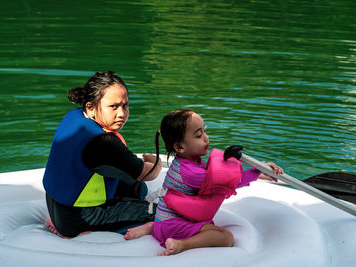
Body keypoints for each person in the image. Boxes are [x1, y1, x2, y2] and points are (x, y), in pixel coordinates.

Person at [127, 108, 283, 255]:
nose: (206, 138)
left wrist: (258, 173)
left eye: (205, 132)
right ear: (180, 146)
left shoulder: (187, 162)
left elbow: (222, 177)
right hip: (172, 225)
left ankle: (154, 227)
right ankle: (181, 245)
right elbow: (227, 183)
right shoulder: (191, 173)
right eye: (198, 135)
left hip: (165, 220)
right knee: (225, 237)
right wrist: (257, 171)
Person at [42, 71, 161, 238]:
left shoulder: (74, 116)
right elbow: (148, 173)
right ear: (91, 107)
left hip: (57, 206)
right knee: (161, 213)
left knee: (138, 188)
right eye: (113, 106)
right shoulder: (103, 143)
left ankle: (63, 222)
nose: (121, 113)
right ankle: (83, 231)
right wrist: (156, 162)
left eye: (125, 105)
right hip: (78, 218)